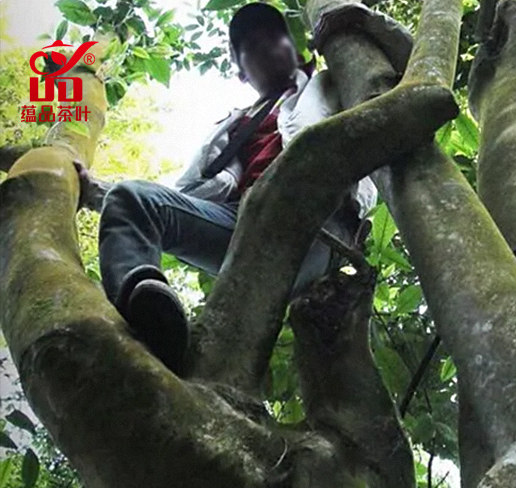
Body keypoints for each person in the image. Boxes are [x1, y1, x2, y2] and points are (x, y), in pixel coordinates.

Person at [78, 3, 378, 374]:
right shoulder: (235, 128)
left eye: (275, 36)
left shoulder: (332, 83)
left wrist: (355, 21)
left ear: (298, 50)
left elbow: (388, 85)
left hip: (319, 223)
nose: (266, 45)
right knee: (132, 198)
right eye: (251, 44)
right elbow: (189, 197)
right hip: (245, 224)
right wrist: (96, 191)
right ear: (240, 71)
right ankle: (147, 314)